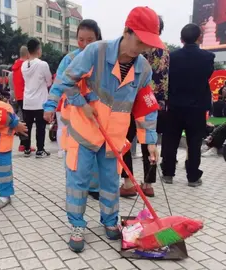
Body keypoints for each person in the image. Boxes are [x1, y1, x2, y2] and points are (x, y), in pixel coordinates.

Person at [50, 6, 161, 252]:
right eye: (140, 41)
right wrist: (81, 103)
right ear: (126, 31)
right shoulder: (95, 52)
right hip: (85, 130)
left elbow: (145, 108)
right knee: (78, 181)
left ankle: (110, 222)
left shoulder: (143, 67)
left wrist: (150, 141)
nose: (142, 49)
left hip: (113, 137)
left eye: (147, 44)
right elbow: (66, 80)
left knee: (110, 183)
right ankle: (77, 225)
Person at [44, 19, 102, 199]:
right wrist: (50, 106)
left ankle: (94, 187)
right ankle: (74, 186)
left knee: (96, 151)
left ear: (98, 38)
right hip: (75, 112)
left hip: (97, 113)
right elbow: (58, 84)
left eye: (90, 40)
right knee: (74, 151)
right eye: (81, 40)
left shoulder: (103, 60)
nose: (84, 44)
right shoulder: (69, 59)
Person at [120, 16, 170, 198]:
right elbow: (165, 80)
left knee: (125, 140)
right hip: (156, 104)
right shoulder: (165, 50)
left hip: (136, 103)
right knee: (149, 143)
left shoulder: (139, 47)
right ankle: (148, 184)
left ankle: (127, 182)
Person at [162, 24, 215, 187]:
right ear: (199, 37)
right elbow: (206, 76)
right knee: (194, 142)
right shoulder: (208, 57)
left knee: (170, 139)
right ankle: (192, 177)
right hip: (197, 107)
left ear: (182, 39)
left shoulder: (172, 57)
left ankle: (168, 173)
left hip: (174, 105)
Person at [22, 38, 52, 158]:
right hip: (40, 102)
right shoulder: (42, 64)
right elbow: (49, 81)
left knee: (27, 127)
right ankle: (40, 150)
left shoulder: (24, 65)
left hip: (27, 101)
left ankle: (27, 149)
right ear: (38, 49)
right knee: (40, 127)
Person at [11, 46, 36, 152]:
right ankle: (25, 145)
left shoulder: (15, 66)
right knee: (27, 122)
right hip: (27, 95)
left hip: (18, 96)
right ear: (28, 54)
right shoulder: (25, 66)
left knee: (24, 120)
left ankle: (23, 144)